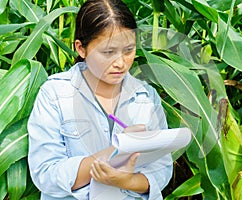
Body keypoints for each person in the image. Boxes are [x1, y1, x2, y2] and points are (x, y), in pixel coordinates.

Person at [27, 0, 173, 199]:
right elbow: (46, 174)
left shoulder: (146, 97)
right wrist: (118, 150)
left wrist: (126, 181)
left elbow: (161, 168)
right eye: (108, 52)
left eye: (129, 50)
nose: (120, 63)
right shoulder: (54, 95)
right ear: (81, 48)